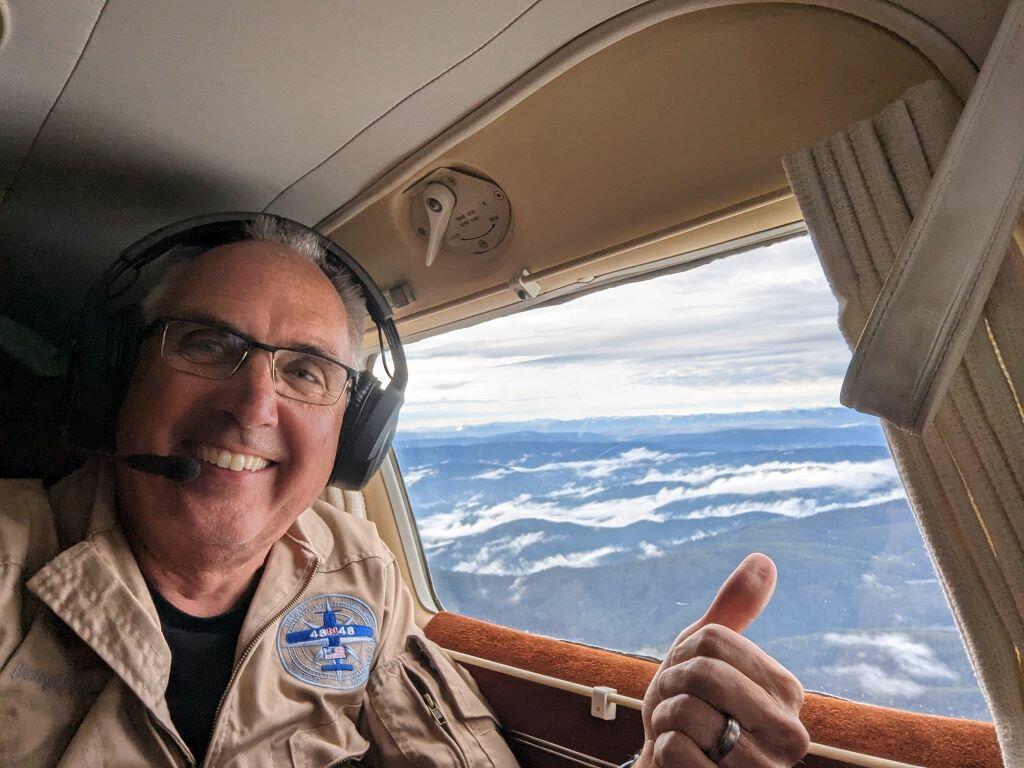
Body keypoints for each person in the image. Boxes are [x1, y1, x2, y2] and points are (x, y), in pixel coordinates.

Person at [0, 214, 809, 767]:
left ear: (352, 434)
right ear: (116, 382)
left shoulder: (356, 573)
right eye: (208, 344)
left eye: (307, 371)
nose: (253, 407)